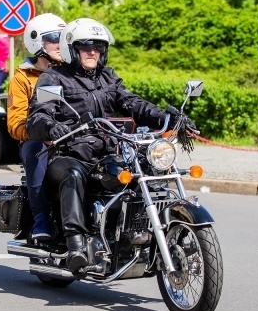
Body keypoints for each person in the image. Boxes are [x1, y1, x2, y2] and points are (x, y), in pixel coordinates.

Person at [26, 18, 173, 273]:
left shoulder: (108, 77)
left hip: (108, 150)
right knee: (73, 174)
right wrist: (53, 127)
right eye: (85, 46)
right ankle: (76, 244)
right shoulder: (54, 77)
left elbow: (131, 102)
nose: (92, 51)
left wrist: (164, 117)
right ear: (73, 49)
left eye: (98, 47)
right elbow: (37, 116)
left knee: (148, 171)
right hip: (68, 152)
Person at [7, 14, 66, 240]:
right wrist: (44, 134)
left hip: (73, 137)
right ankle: (41, 217)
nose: (60, 45)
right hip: (40, 140)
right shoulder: (23, 78)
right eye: (54, 39)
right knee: (35, 148)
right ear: (37, 42)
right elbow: (15, 124)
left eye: (63, 39)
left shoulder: (72, 72)